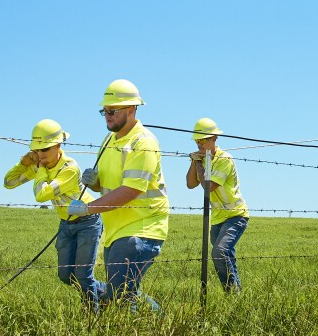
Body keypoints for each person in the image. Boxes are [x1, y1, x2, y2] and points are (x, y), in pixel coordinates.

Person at [68, 79, 169, 312]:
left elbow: (131, 190)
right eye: (104, 111)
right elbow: (109, 185)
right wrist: (94, 183)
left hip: (142, 228)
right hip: (115, 230)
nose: (107, 115)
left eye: (112, 111)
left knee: (122, 296)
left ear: (131, 110)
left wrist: (88, 208)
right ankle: (162, 323)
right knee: (124, 291)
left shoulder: (143, 142)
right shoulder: (109, 140)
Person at [4, 119, 104, 310]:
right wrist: (22, 163)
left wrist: (39, 170)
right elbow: (9, 182)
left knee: (83, 275)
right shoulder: (39, 165)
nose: (40, 155)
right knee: (65, 276)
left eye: (45, 149)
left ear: (58, 145)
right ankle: (105, 293)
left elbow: (42, 194)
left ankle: (93, 316)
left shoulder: (69, 168)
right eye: (37, 150)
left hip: (88, 221)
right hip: (66, 223)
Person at [184, 117, 249, 293]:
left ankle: (232, 293)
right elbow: (190, 184)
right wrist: (194, 160)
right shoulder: (203, 159)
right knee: (225, 255)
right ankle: (237, 293)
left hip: (235, 215)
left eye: (203, 139)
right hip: (218, 218)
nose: (199, 143)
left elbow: (208, 186)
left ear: (214, 139)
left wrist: (199, 162)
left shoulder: (224, 159)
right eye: (197, 140)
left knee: (219, 253)